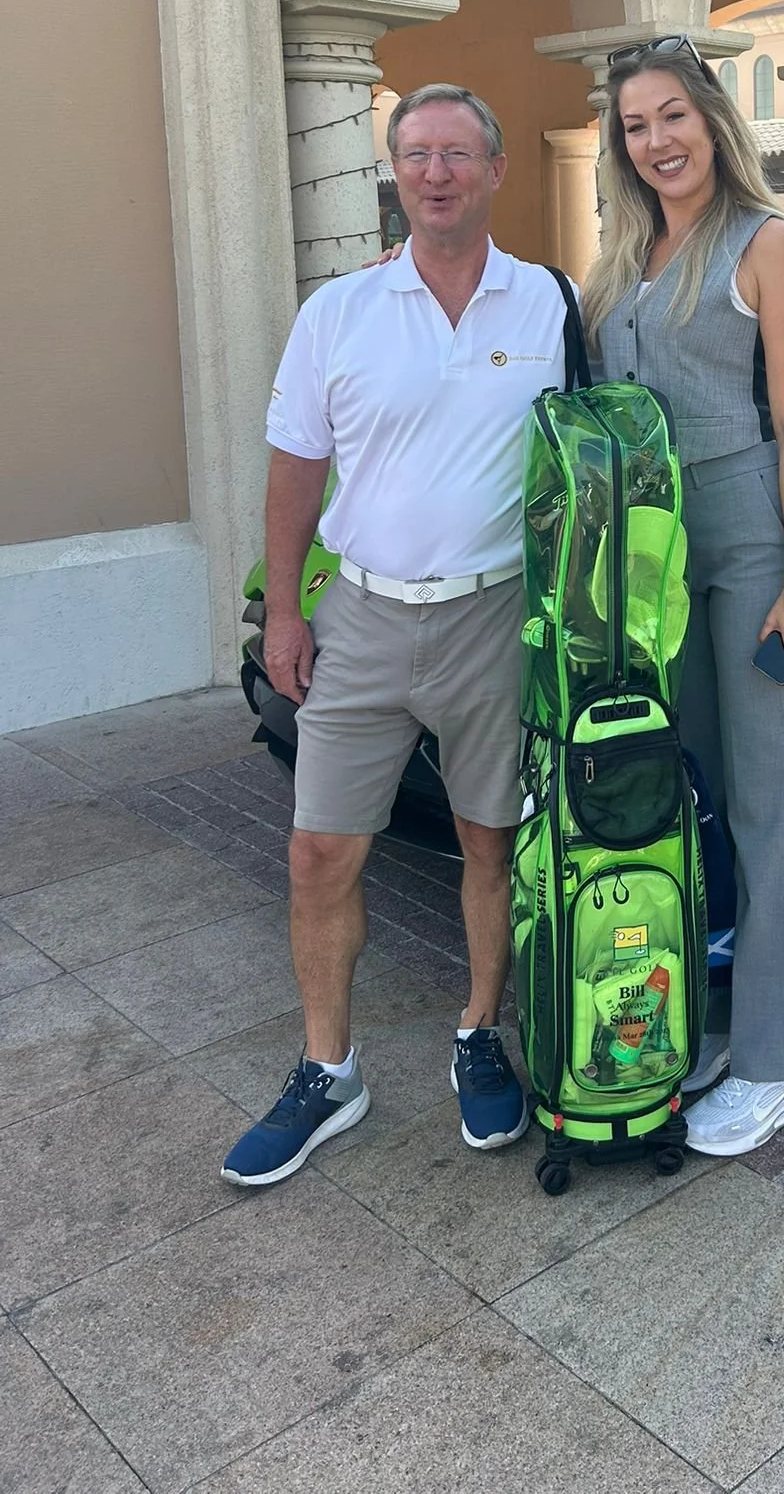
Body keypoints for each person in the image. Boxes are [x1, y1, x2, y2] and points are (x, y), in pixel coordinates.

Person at [221, 84, 571, 1187]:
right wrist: (285, 606)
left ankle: (480, 1030)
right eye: (416, 152)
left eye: (457, 152)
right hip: (363, 615)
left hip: (495, 613)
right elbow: (294, 468)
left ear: (495, 169)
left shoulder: (552, 306)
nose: (435, 171)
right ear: (395, 169)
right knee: (319, 848)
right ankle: (330, 1068)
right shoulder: (340, 311)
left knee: (488, 842)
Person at [582, 35, 784, 1156]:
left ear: (713, 120)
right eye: (636, 125)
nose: (657, 140)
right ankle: (701, 1018)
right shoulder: (628, 251)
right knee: (698, 795)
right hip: (646, 556)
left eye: (673, 115)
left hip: (741, 542)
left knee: (772, 801)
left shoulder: (765, 241)